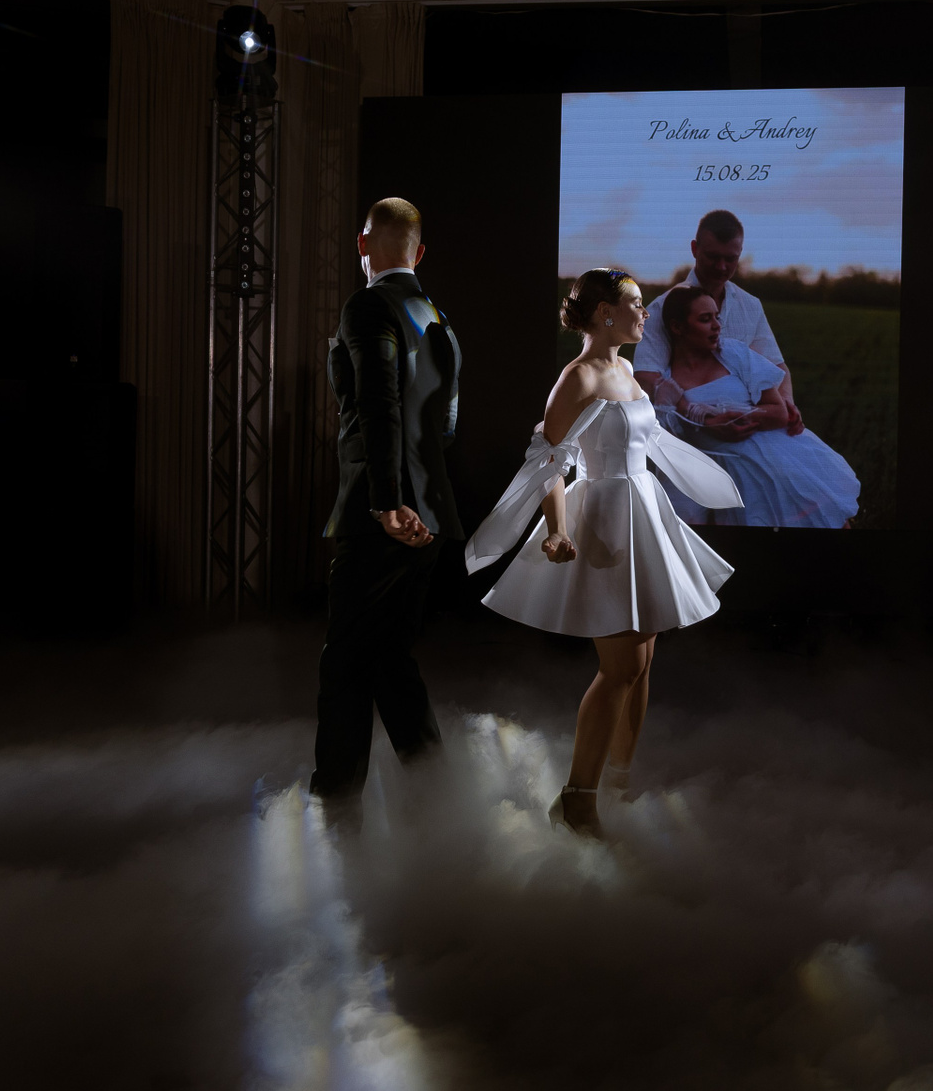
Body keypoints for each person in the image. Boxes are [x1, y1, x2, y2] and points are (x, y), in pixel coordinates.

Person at [464, 268, 742, 838]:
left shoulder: (626, 371)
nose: (645, 313)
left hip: (642, 514)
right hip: (606, 523)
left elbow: (649, 441)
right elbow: (549, 462)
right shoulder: (579, 377)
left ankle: (617, 784)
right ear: (603, 313)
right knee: (621, 668)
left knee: (641, 665)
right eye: (636, 304)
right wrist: (556, 529)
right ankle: (577, 799)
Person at [309, 197, 462, 832]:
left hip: (386, 512)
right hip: (433, 510)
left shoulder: (368, 305)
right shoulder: (437, 316)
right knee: (390, 663)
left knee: (346, 662)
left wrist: (387, 501)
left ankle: (335, 813)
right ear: (419, 253)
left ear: (362, 244)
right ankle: (440, 799)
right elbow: (446, 423)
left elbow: (379, 404)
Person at [653, 286, 860, 529]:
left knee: (825, 517)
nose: (717, 326)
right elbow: (675, 442)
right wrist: (707, 424)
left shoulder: (733, 353)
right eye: (705, 319)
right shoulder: (668, 384)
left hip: (779, 454)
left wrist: (733, 416)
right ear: (677, 327)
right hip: (730, 472)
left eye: (717, 317)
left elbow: (779, 412)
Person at [633, 209, 804, 437]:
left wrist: (786, 403)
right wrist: (701, 418)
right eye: (713, 257)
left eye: (730, 258)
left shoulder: (750, 305)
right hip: (690, 436)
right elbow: (646, 378)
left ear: (740, 254)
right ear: (695, 249)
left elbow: (776, 365)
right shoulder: (660, 308)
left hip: (755, 429)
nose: (721, 267)